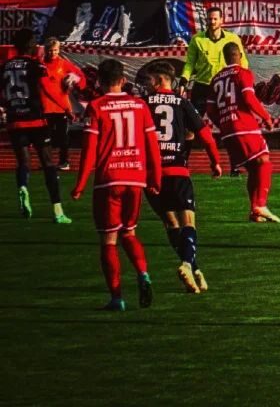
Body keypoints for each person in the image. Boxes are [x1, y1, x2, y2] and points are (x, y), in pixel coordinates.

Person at [70, 57, 162, 311]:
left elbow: (89, 150)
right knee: (130, 232)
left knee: (109, 240)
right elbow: (152, 146)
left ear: (99, 82)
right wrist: (155, 179)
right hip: (135, 178)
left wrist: (80, 185)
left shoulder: (97, 107)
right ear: (123, 80)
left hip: (109, 180)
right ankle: (143, 274)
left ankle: (117, 297)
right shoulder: (139, 105)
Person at [142, 60, 222, 293]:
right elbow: (204, 134)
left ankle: (195, 269)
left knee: (170, 223)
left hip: (152, 176)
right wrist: (215, 160)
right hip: (177, 171)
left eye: (149, 80)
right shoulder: (181, 102)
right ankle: (188, 264)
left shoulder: (143, 104)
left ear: (159, 80)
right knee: (189, 223)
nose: (146, 85)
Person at [3, 32, 71, 222]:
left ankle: (23, 186)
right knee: (48, 163)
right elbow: (47, 90)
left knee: (23, 162)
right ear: (31, 45)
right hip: (36, 120)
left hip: (15, 120)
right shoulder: (35, 65)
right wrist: (67, 108)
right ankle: (58, 211)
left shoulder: (5, 66)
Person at [209, 42, 279, 223]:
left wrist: (224, 124)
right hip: (244, 126)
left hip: (227, 131)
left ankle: (253, 211)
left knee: (253, 169)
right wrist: (266, 117)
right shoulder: (243, 73)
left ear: (224, 58)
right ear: (240, 55)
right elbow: (248, 98)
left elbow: (210, 110)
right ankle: (261, 204)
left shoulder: (216, 79)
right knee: (264, 162)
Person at [182, 7, 247, 114]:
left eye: (215, 19)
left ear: (221, 20)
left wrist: (243, 79)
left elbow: (242, 60)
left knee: (228, 118)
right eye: (209, 19)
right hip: (202, 85)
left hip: (224, 85)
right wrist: (184, 79)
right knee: (193, 122)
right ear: (206, 20)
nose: (212, 22)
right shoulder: (197, 39)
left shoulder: (233, 38)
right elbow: (190, 63)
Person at [38, 35, 85, 171]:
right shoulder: (40, 64)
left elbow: (81, 78)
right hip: (46, 107)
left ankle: (64, 162)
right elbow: (45, 88)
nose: (53, 53)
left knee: (63, 137)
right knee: (45, 137)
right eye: (50, 50)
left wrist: (77, 83)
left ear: (59, 50)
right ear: (46, 50)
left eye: (55, 50)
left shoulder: (64, 64)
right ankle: (47, 162)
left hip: (61, 108)